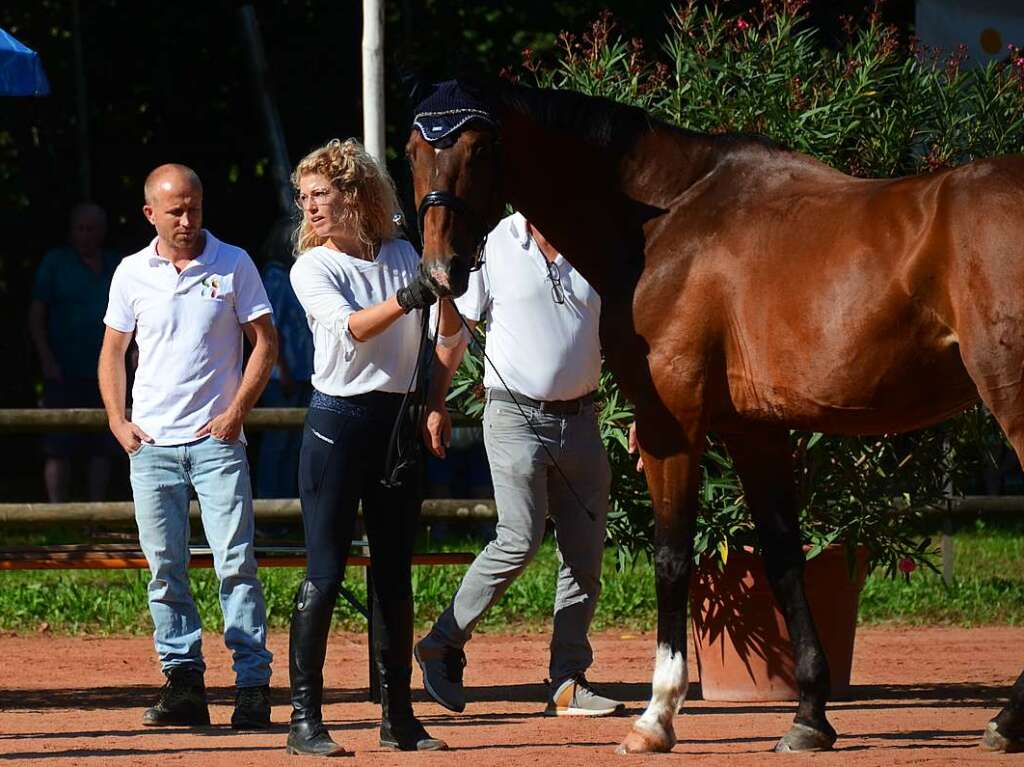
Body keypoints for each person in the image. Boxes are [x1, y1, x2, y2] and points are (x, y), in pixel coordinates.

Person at [284, 138, 459, 756]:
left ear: (356, 194)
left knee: (393, 575)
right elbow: (353, 330)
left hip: (398, 424)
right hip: (338, 424)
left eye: (320, 195)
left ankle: (399, 717)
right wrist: (414, 294)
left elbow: (446, 335)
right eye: (303, 198)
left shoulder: (404, 251)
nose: (308, 208)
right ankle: (305, 718)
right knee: (326, 574)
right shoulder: (313, 267)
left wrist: (436, 398)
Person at [418, 212, 625, 717]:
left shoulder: (595, 236)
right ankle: (442, 642)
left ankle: (568, 680)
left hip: (582, 418)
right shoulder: (492, 240)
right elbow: (454, 332)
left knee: (585, 553)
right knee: (519, 537)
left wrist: (641, 408)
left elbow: (623, 333)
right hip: (514, 415)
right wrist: (434, 402)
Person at [97, 164, 278, 729]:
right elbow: (112, 352)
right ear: (150, 213)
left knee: (236, 563)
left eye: (194, 207)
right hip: (151, 446)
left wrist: (234, 414)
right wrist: (118, 422)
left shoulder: (233, 262)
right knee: (164, 568)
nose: (186, 219)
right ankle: (183, 682)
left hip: (217, 441)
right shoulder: (130, 272)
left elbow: (265, 343)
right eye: (175, 209)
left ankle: (251, 686)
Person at [29, 203, 121, 501]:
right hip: (63, 368)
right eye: (79, 228)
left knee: (102, 445)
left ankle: (95, 514)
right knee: (58, 444)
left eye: (91, 228)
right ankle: (56, 516)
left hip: (106, 369)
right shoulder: (56, 263)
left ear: (102, 232)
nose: (85, 235)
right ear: (71, 231)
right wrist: (46, 359)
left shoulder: (117, 265)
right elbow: (36, 315)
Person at [256, 219, 314, 499]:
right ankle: (270, 506)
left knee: (293, 442)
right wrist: (284, 368)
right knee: (277, 442)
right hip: (283, 376)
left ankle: (286, 509)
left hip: (303, 372)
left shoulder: (293, 274)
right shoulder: (275, 278)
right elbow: (269, 327)